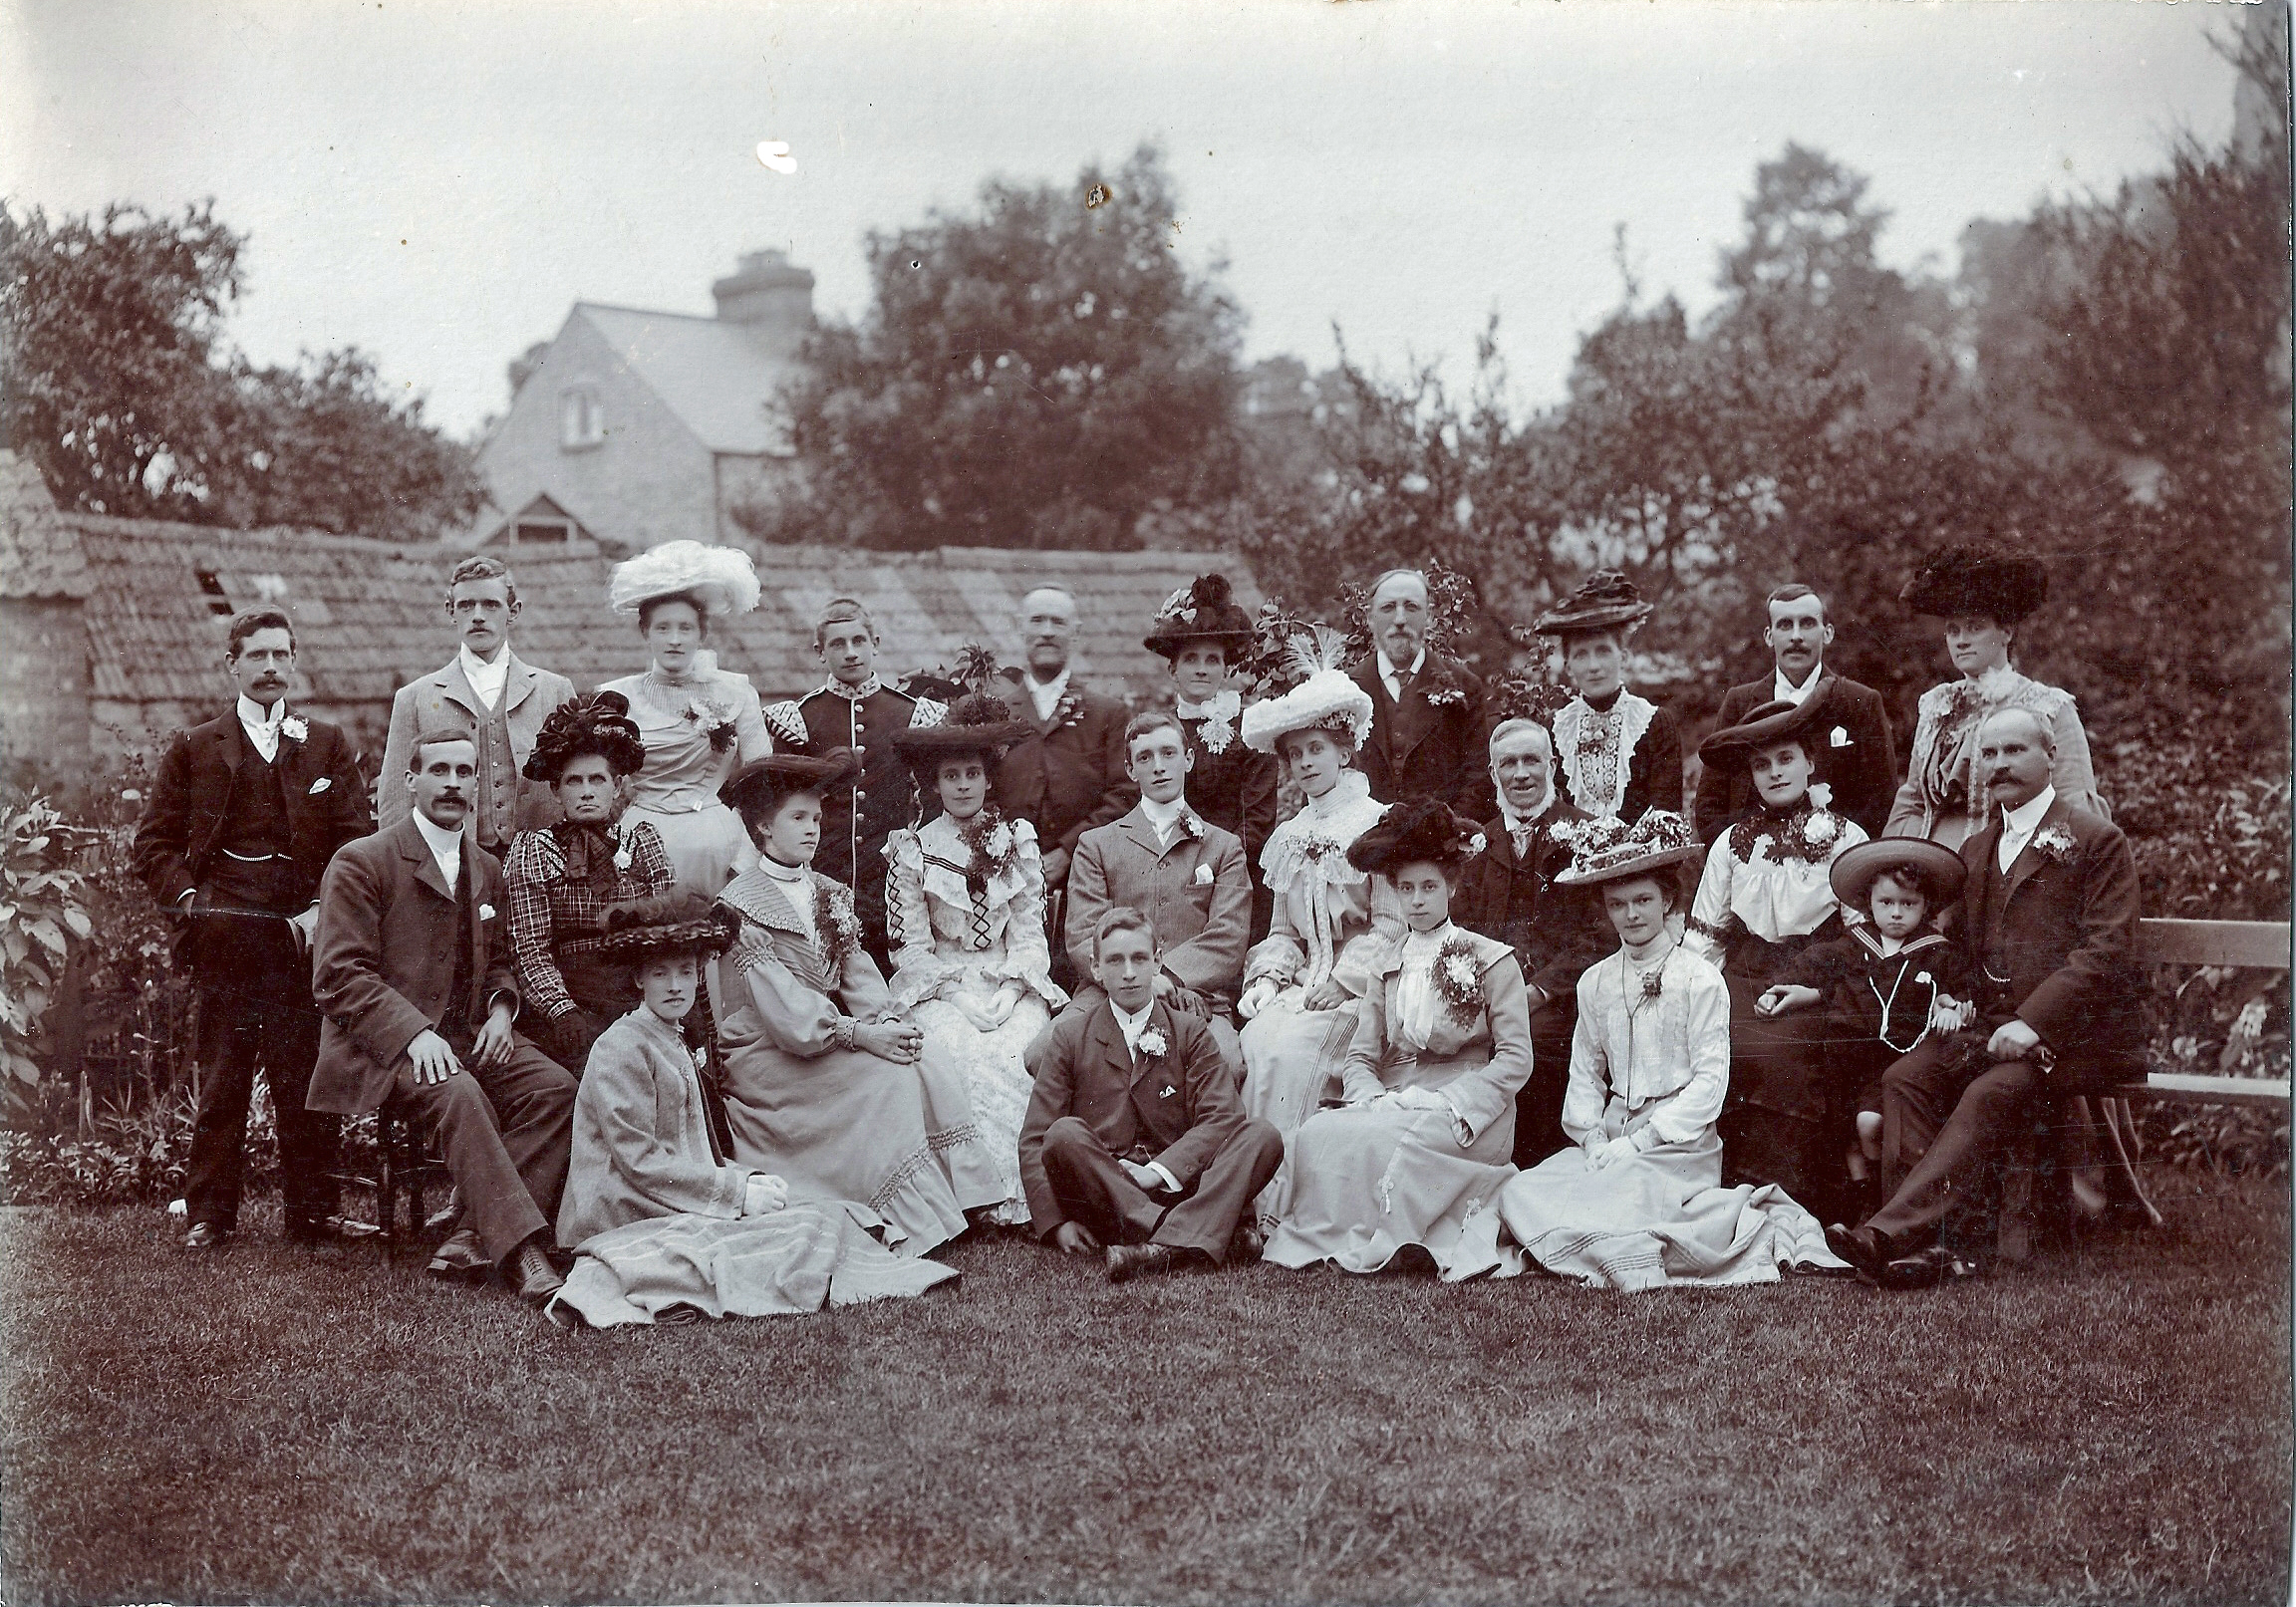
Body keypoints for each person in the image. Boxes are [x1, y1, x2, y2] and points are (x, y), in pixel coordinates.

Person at [1830, 707, 2146, 1288]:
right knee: (1907, 1077)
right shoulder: (1976, 848)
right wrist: (1952, 999)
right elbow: (1956, 948)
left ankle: (1888, 1233)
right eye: (1989, 754)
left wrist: (2034, 1023)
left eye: (2014, 751)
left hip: (2068, 1036)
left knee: (1989, 1091)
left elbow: (2106, 954)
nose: (1999, 764)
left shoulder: (2097, 839)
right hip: (1988, 1024)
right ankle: (1931, 1246)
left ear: (2049, 756)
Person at [548, 905, 958, 1328]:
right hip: (622, 1206)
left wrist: (745, 1179)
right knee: (780, 1236)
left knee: (820, 1212)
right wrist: (733, 1191)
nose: (675, 986)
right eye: (660, 974)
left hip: (668, 1190)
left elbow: (691, 1151)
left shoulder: (669, 1038)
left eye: (686, 972)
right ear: (638, 979)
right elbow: (637, 1160)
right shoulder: (621, 1046)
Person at [1496, 810, 1849, 1290]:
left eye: (1644, 900)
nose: (1632, 915)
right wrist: (1596, 1140)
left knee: (1611, 1198)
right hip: (1614, 1134)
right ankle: (1608, 1232)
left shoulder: (1699, 978)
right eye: (1618, 904)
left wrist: (1640, 1142)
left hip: (1680, 1143)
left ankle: (1631, 1240)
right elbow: (1584, 1073)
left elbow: (1709, 1084)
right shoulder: (1594, 981)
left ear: (1667, 902)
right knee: (1521, 1189)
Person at [307, 728, 580, 1304]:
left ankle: (473, 1234)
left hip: (467, 1032)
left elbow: (502, 960)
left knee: (555, 1088)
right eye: (439, 771)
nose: (453, 784)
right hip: (381, 1044)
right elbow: (339, 975)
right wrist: (413, 1034)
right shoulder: (363, 861)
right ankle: (524, 1252)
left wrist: (503, 1011)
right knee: (461, 1095)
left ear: (477, 784)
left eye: (464, 772)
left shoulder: (484, 866)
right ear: (411, 782)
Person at [133, 607, 375, 1249]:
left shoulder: (325, 744)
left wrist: (326, 913)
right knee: (222, 1075)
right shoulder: (194, 747)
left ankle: (312, 1214)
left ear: (293, 663)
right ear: (232, 664)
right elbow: (153, 843)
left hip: (300, 936)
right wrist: (188, 899)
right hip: (225, 937)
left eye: (281, 656)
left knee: (304, 1074)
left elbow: (355, 843)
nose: (270, 668)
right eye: (257, 656)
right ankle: (211, 1214)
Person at [713, 750, 1004, 1257]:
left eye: (817, 818)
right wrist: (862, 1036)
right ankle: (905, 1218)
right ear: (763, 827)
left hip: (826, 1031)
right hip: (771, 1050)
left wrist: (888, 1021)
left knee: (923, 1054)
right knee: (885, 1076)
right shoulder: (740, 905)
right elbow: (785, 1014)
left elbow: (859, 976)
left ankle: (964, 1199)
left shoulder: (829, 892)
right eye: (797, 819)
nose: (812, 830)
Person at [1263, 800, 1533, 1280]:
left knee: (1408, 1140)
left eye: (1429, 887)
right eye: (1405, 889)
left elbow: (1515, 1060)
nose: (1418, 901)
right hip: (1398, 1094)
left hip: (1471, 1106)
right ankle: (1333, 1234)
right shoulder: (1385, 965)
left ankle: (1401, 1238)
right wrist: (1372, 1099)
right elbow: (1362, 1057)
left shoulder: (1491, 958)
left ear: (1452, 885)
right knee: (1320, 1132)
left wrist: (1449, 1101)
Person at [1019, 907, 1284, 1282]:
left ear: (1157, 962)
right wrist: (1056, 1222)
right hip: (1108, 1193)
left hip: (1178, 1185)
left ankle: (1156, 1247)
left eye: (1140, 958)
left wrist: (1156, 1173)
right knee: (1062, 1134)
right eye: (1115, 960)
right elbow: (1034, 1138)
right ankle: (1193, 1235)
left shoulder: (1189, 1030)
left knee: (1261, 1135)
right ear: (1096, 968)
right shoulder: (1070, 1036)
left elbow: (1222, 1117)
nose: (1129, 973)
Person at [882, 693, 1067, 1228]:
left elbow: (1031, 931)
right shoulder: (911, 849)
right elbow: (909, 945)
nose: (963, 785)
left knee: (1019, 1048)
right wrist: (957, 994)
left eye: (972, 774)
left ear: (988, 780)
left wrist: (1012, 991)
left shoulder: (1018, 840)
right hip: (942, 985)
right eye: (950, 776)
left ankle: (1023, 1193)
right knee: (950, 1049)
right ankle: (968, 1199)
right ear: (934, 786)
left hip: (1010, 978)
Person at [1683, 695, 1870, 1222]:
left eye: (1785, 759)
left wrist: (1819, 983)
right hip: (1744, 977)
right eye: (1761, 765)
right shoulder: (1732, 843)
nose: (1774, 773)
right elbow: (1706, 934)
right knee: (1715, 1043)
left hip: (1818, 982)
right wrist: (1691, 996)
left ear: (1811, 761)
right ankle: (1718, 1193)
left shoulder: (1846, 838)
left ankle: (1783, 1197)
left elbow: (1864, 937)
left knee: (1781, 1053)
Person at [1233, 655, 1402, 1228]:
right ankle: (1248, 1202)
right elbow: (1283, 931)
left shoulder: (1376, 824)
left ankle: (1284, 1212)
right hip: (1304, 989)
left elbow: (1391, 927)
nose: (1306, 762)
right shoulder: (1288, 836)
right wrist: (1266, 977)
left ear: (1344, 751)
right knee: (1255, 1041)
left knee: (1285, 1053)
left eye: (1317, 750)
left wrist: (1341, 979)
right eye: (1296, 753)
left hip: (1361, 991)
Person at [1756, 839, 1975, 1211]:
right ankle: (1862, 1202)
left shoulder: (1936, 951)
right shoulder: (1854, 944)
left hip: (1893, 1061)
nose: (1896, 914)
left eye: (1909, 904)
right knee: (1845, 1131)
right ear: (1868, 901)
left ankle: (1882, 1196)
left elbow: (1960, 988)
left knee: (1870, 1124)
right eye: (1886, 903)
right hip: (1844, 1058)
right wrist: (1776, 991)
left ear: (1925, 907)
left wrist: (1952, 1006)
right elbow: (1812, 967)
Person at [1452, 717, 1611, 1167]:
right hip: (1491, 998)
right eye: (1508, 763)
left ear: (1552, 765)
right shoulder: (1475, 846)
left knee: (1530, 1044)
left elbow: (1601, 935)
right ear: (1493, 774)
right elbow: (1461, 933)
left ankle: (1532, 1169)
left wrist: (1538, 991)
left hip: (1561, 1000)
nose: (1520, 773)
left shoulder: (1587, 834)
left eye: (1531, 760)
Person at [1062, 710, 1253, 1071]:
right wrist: (1139, 978)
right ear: (1131, 770)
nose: (1158, 767)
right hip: (1109, 992)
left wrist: (1170, 977)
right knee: (1043, 1053)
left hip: (1194, 995)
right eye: (1145, 758)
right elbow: (1084, 933)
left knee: (1226, 1064)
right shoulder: (1096, 844)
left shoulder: (1223, 846)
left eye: (1168, 754)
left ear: (1189, 759)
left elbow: (1229, 936)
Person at [763, 598, 947, 968]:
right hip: (819, 878)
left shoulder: (913, 715)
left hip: (893, 885)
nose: (850, 653)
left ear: (875, 644)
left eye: (859, 641)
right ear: (819, 652)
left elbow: (930, 806)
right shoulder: (798, 719)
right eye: (837, 644)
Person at [1885, 543, 2108, 849]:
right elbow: (1913, 798)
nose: (1961, 641)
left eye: (1975, 628)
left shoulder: (2047, 707)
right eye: (1953, 630)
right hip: (1928, 866)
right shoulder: (1936, 706)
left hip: (2007, 864)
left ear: (2007, 632)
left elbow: (2074, 804)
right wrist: (1894, 861)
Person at [502, 691, 679, 1073]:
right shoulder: (534, 849)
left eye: (597, 779)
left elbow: (669, 931)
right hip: (573, 999)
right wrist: (560, 1009)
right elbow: (529, 945)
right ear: (556, 790)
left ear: (616, 786)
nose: (585, 791)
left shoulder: (642, 841)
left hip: (640, 991)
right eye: (573, 781)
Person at [595, 540, 773, 896]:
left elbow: (763, 776)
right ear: (645, 632)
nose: (674, 640)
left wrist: (747, 848)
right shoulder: (616, 697)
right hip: (639, 839)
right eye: (663, 628)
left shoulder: (735, 691)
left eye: (685, 628)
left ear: (701, 633)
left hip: (718, 842)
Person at [379, 555, 577, 858]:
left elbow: (579, 785)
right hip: (450, 863)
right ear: (450, 612)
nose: (478, 616)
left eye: (491, 604)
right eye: (466, 605)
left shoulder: (554, 690)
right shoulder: (415, 697)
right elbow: (395, 799)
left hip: (543, 864)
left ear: (513, 611)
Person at [1693, 583, 1898, 843]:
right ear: (1769, 636)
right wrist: (1741, 855)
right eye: (1785, 625)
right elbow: (1710, 802)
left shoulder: (1860, 702)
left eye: (1808, 624)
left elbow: (1882, 800)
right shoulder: (1739, 702)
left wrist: (1840, 855)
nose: (1796, 636)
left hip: (1837, 864)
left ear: (1828, 633)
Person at [1143, 573, 1280, 938]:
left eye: (1212, 659)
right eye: (1190, 659)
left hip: (1236, 876)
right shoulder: (1156, 732)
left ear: (1225, 667)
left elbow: (1259, 819)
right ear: (1173, 669)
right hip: (1167, 873)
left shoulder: (1252, 729)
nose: (1201, 668)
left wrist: (1215, 866)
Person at [990, 586, 1136, 910]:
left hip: (1085, 882)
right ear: (1020, 627)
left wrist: (1069, 851)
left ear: (1076, 632)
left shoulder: (1107, 713)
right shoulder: (992, 713)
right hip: (1001, 877)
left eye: (1058, 622)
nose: (1047, 632)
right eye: (1037, 621)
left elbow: (1125, 795)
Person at [1527, 570, 1683, 824]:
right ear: (1568, 667)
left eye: (1603, 651)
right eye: (1581, 655)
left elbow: (1666, 813)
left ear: (1623, 657)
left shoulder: (1654, 723)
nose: (1593, 666)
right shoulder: (1556, 729)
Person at [1347, 568, 1492, 816]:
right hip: (1362, 842)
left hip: (1440, 844)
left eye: (1412, 607)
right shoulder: (1346, 689)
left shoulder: (1465, 687)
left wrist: (1448, 836)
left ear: (1429, 616)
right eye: (1388, 607)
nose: (1400, 619)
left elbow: (1478, 778)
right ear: (1370, 618)